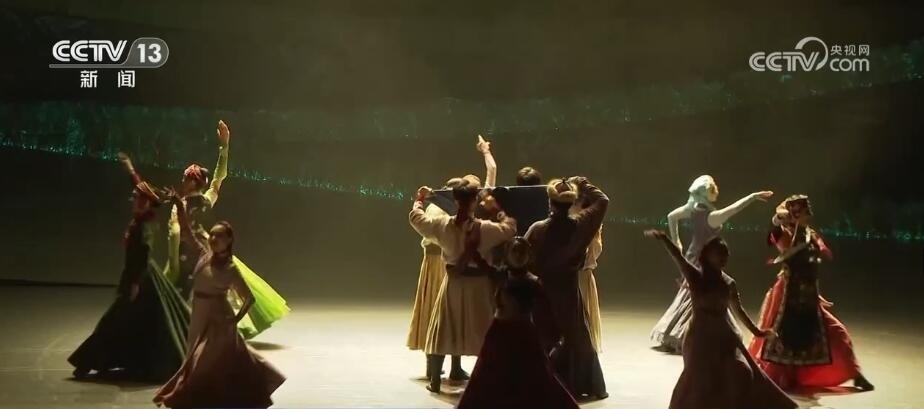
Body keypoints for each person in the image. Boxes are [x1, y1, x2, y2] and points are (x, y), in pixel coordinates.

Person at [153, 194, 285, 409]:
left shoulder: (230, 268)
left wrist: (234, 320)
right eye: (212, 235)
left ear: (229, 240)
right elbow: (186, 231)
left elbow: (249, 298)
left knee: (202, 360)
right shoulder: (204, 254)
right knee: (206, 358)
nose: (213, 239)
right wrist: (179, 205)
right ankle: (215, 397)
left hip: (217, 318)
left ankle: (193, 398)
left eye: (219, 236)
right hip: (199, 312)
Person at [644, 229, 798, 409]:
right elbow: (678, 257)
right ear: (708, 255)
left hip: (724, 337)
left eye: (726, 254)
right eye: (719, 254)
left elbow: (739, 312)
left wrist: (759, 332)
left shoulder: (729, 283)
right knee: (697, 378)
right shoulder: (696, 277)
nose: (724, 258)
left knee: (739, 373)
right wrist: (664, 239)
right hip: (699, 338)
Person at [163, 120, 289, 339]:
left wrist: (173, 261)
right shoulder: (205, 200)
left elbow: (175, 232)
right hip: (204, 249)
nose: (182, 180)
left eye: (185, 178)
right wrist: (224, 147)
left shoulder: (181, 205)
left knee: (187, 288)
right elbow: (218, 180)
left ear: (191, 182)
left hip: (189, 252)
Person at [69, 153, 189, 382]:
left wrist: (135, 284)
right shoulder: (142, 219)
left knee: (115, 321)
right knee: (125, 322)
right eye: (134, 196)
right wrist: (131, 169)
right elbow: (143, 189)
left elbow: (143, 254)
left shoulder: (145, 225)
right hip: (135, 277)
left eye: (136, 198)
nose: (132, 199)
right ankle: (98, 362)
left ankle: (88, 362)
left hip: (139, 279)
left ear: (145, 202)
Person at [748, 195, 874, 391]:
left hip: (809, 293)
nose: (809, 215)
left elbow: (823, 254)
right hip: (787, 293)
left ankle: (854, 374)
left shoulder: (810, 233)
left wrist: (819, 248)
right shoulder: (784, 233)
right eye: (805, 211)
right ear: (795, 214)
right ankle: (779, 377)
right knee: (782, 335)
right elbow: (772, 235)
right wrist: (777, 219)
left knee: (836, 331)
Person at [409, 181, 517, 393]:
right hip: (479, 287)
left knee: (443, 329)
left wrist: (419, 199)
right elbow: (510, 228)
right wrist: (495, 208)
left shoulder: (442, 225)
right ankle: (489, 379)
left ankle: (436, 381)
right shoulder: (485, 228)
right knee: (484, 331)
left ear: (456, 200)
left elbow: (416, 218)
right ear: (475, 201)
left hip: (454, 285)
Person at [651, 175, 773, 353]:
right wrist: (752, 197)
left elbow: (671, 217)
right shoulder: (712, 217)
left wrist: (677, 241)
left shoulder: (692, 210)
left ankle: (683, 334)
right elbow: (734, 209)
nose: (716, 191)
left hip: (693, 254)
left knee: (691, 294)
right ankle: (690, 335)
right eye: (712, 189)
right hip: (707, 258)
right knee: (703, 294)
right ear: (706, 193)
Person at [456, 237, 578, 409]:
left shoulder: (534, 282)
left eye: (522, 251)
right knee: (487, 375)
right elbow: (482, 265)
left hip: (523, 335)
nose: (519, 255)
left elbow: (547, 313)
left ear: (529, 255)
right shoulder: (501, 275)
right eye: (515, 251)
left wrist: (555, 338)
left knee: (534, 376)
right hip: (499, 334)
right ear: (507, 254)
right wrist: (471, 248)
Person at [525, 177, 609, 400]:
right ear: (571, 203)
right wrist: (583, 182)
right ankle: (581, 383)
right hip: (568, 290)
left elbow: (522, 258)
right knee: (575, 335)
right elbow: (602, 201)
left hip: (543, 291)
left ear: (550, 202)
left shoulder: (538, 229)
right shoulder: (579, 225)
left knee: (545, 335)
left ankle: (544, 383)